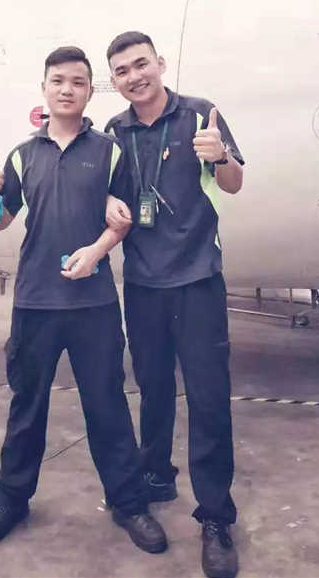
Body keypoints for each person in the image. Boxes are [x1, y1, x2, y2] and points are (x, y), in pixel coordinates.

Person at [0, 46, 167, 555]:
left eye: (78, 82)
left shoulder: (110, 151)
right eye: (58, 80)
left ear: (88, 91)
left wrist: (97, 250)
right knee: (26, 407)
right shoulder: (22, 155)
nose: (67, 90)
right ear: (44, 88)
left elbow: (123, 220)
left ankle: (129, 503)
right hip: (35, 302)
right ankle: (10, 501)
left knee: (108, 407)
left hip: (93, 305)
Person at [104, 32, 244, 578]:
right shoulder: (115, 132)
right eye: (122, 71)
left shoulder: (200, 115)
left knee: (208, 399)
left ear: (159, 64)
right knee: (154, 390)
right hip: (143, 284)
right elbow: (107, 198)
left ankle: (215, 515)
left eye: (141, 64)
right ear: (113, 81)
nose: (134, 76)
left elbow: (233, 183)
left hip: (198, 280)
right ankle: (156, 475)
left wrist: (221, 155)